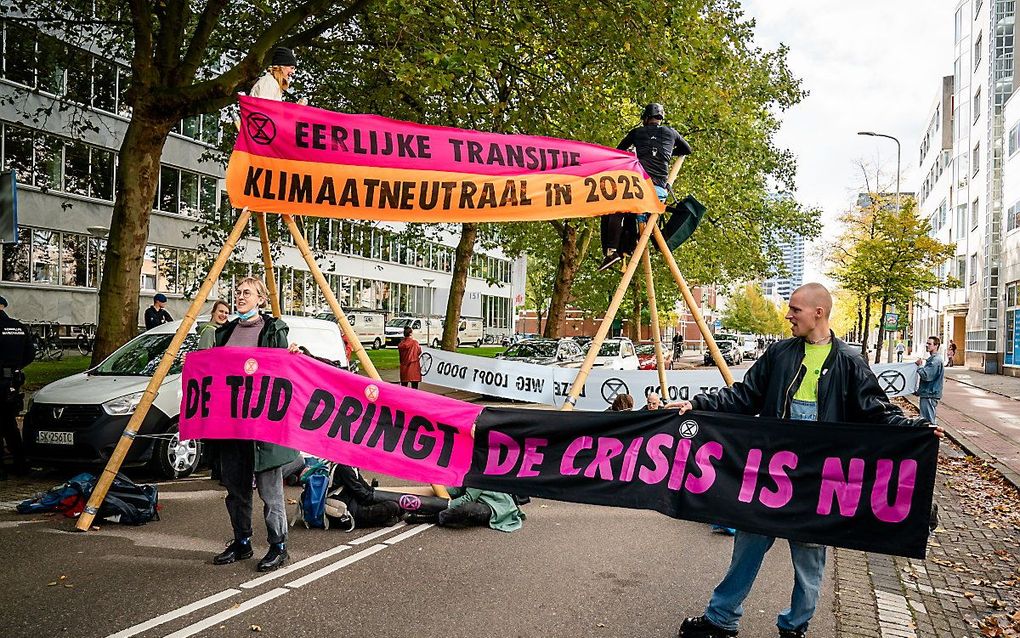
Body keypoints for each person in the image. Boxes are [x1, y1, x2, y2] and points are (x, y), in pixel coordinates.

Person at [673, 283, 943, 638]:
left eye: (795, 310)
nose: (788, 316)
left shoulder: (849, 361)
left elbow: (876, 413)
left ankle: (795, 626)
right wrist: (700, 404)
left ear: (819, 312)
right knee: (747, 546)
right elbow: (745, 395)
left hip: (820, 482)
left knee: (809, 560)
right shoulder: (779, 353)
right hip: (771, 475)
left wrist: (914, 430)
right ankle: (721, 619)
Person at [211, 277, 301, 572]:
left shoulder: (273, 331)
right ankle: (242, 542)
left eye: (246, 293)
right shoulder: (225, 333)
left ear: (260, 299)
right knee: (236, 489)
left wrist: (294, 356)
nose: (239, 296)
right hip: (232, 425)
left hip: (264, 427)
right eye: (237, 292)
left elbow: (284, 373)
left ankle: (278, 547)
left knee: (270, 491)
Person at [599, 103, 692, 271]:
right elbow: (687, 149)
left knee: (612, 209)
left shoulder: (637, 133)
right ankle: (627, 247)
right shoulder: (671, 133)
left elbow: (619, 151)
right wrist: (669, 151)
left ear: (645, 118)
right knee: (628, 211)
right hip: (659, 193)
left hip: (640, 188)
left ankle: (611, 251)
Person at [0, 296, 34, 479]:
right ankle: (20, 464)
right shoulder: (18, 327)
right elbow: (30, 353)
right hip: (13, 381)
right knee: (9, 423)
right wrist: (16, 368)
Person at [406, 487, 525, 532]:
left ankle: (431, 518)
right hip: (489, 504)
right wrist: (439, 489)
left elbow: (468, 498)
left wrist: (446, 504)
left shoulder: (480, 473)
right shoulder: (474, 469)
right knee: (465, 507)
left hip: (498, 509)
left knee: (469, 508)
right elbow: (459, 490)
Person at [328, 464, 403, 528]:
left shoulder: (350, 467)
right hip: (345, 510)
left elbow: (368, 489)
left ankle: (392, 517)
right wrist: (397, 500)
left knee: (392, 504)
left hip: (354, 503)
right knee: (391, 506)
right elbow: (365, 496)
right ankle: (389, 518)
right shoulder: (343, 469)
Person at [915, 336, 945, 426]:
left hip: (929, 394)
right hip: (928, 393)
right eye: (927, 343)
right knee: (926, 420)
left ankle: (931, 438)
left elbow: (926, 376)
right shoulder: (934, 359)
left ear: (936, 346)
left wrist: (919, 366)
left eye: (929, 344)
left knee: (928, 420)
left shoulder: (935, 361)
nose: (927, 345)